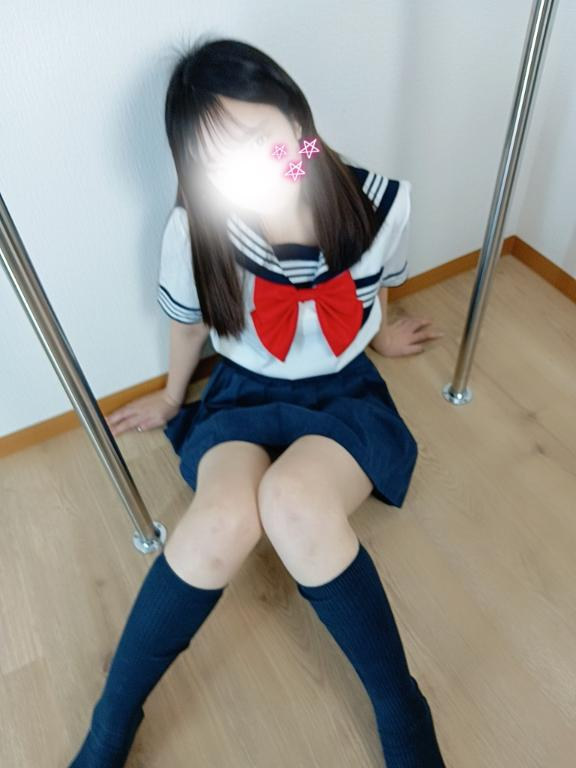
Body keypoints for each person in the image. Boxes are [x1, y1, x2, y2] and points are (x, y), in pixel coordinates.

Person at [70, 35, 446, 768]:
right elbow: (189, 327)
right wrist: (173, 398)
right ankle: (113, 718)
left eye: (250, 137)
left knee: (294, 503)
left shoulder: (381, 202)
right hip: (241, 393)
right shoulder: (197, 226)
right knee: (221, 519)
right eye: (213, 159)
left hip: (343, 392)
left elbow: (374, 287)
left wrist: (379, 334)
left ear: (293, 115)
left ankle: (401, 706)